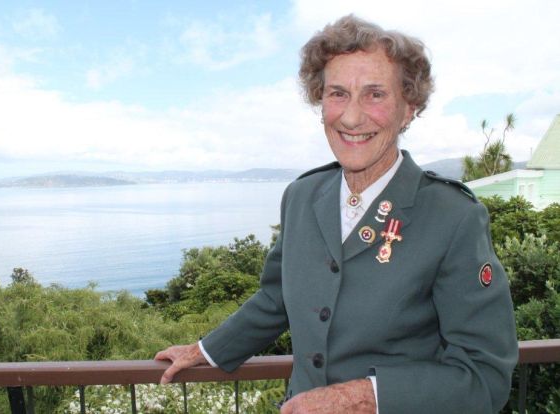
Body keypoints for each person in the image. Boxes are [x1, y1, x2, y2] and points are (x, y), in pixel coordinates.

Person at [155, 14, 518, 413]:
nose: (350, 117)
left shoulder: (453, 216)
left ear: (409, 108)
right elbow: (277, 298)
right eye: (338, 93)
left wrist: (363, 397)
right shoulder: (302, 196)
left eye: (375, 94)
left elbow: (485, 376)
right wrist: (207, 350)